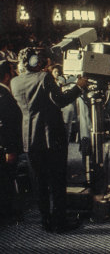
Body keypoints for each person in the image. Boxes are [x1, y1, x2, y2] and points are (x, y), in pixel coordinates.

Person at [11, 48, 88, 232]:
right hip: (51, 137)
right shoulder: (44, 78)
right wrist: (79, 86)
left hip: (29, 139)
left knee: (39, 183)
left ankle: (46, 221)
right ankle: (60, 222)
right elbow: (60, 100)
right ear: (35, 61)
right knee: (57, 181)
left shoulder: (14, 82)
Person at [0, 60, 23, 223]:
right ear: (7, 76)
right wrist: (10, 150)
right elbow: (6, 125)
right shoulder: (4, 97)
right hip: (5, 148)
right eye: (13, 72)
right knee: (6, 181)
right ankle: (7, 214)